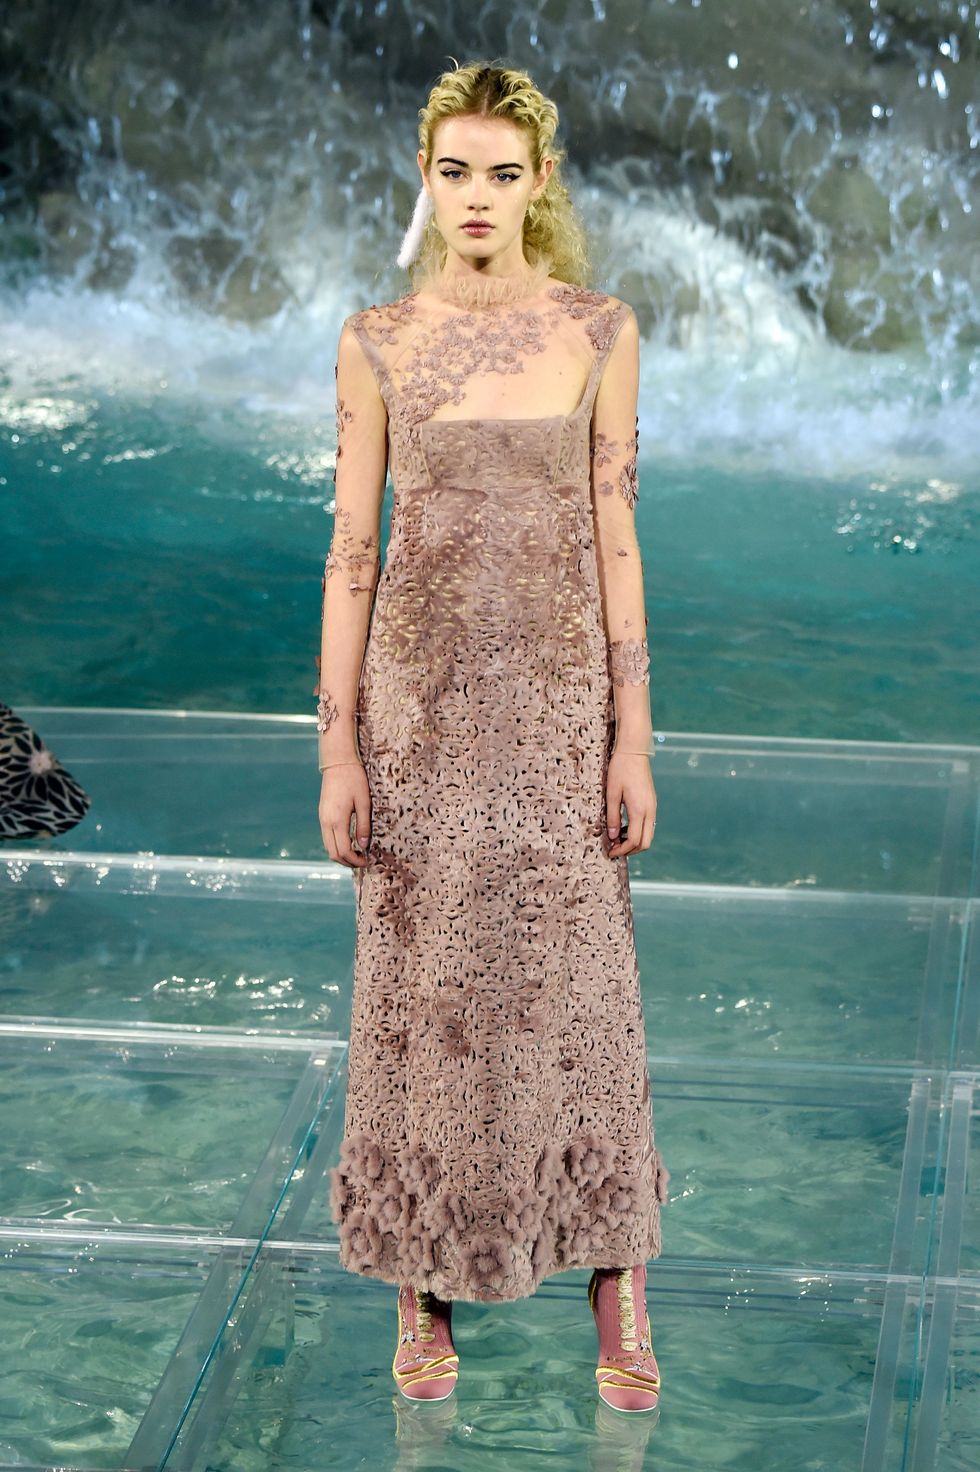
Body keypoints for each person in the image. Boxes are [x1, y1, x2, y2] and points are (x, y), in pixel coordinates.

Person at [315, 58, 670, 1415]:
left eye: (503, 174)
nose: (477, 198)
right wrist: (338, 747)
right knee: (425, 989)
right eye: (454, 172)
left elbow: (618, 533)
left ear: (540, 184)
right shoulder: (377, 338)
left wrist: (634, 734)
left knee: (580, 983)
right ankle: (421, 1277)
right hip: (420, 710)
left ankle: (615, 1272)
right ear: (427, 177)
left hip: (557, 711)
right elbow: (352, 555)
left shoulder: (599, 331)